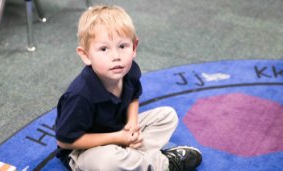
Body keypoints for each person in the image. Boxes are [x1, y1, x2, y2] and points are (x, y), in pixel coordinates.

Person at [55, 5, 202, 171]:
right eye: (104, 49)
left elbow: (133, 97)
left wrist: (132, 123)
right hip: (84, 151)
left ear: (134, 47)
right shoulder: (80, 95)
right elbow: (64, 140)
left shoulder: (128, 70)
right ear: (86, 55)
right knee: (108, 161)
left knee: (168, 116)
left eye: (122, 46)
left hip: (120, 131)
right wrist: (118, 138)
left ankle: (135, 160)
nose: (116, 56)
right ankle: (163, 164)